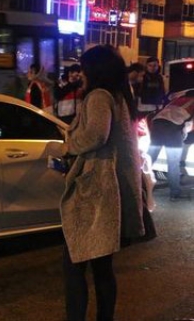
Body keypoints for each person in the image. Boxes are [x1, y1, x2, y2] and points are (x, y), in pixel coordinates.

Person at [59, 44, 145, 321]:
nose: (80, 73)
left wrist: (68, 146)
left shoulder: (97, 96)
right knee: (102, 267)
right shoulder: (120, 95)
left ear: (93, 69)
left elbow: (95, 136)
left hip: (94, 190)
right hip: (110, 190)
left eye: (83, 67)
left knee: (74, 264)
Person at [147, 90, 194, 201]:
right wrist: (183, 136)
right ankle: (175, 193)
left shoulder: (176, 100)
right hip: (173, 128)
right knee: (173, 163)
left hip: (157, 125)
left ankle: (138, 186)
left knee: (148, 160)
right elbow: (189, 124)